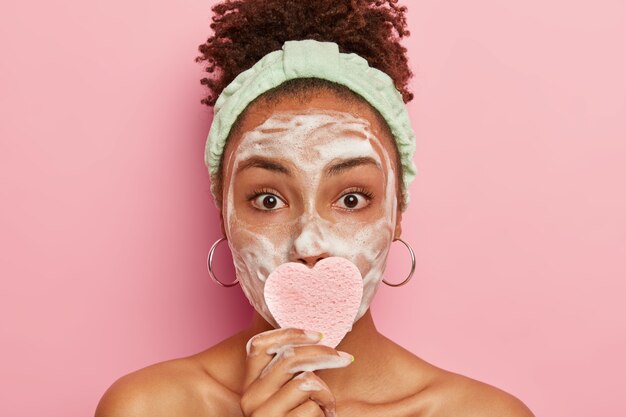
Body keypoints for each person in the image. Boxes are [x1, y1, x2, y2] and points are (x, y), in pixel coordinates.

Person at [95, 1, 535, 416]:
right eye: (268, 200)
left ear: (397, 214)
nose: (308, 243)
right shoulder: (148, 407)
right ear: (224, 215)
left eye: (350, 199)